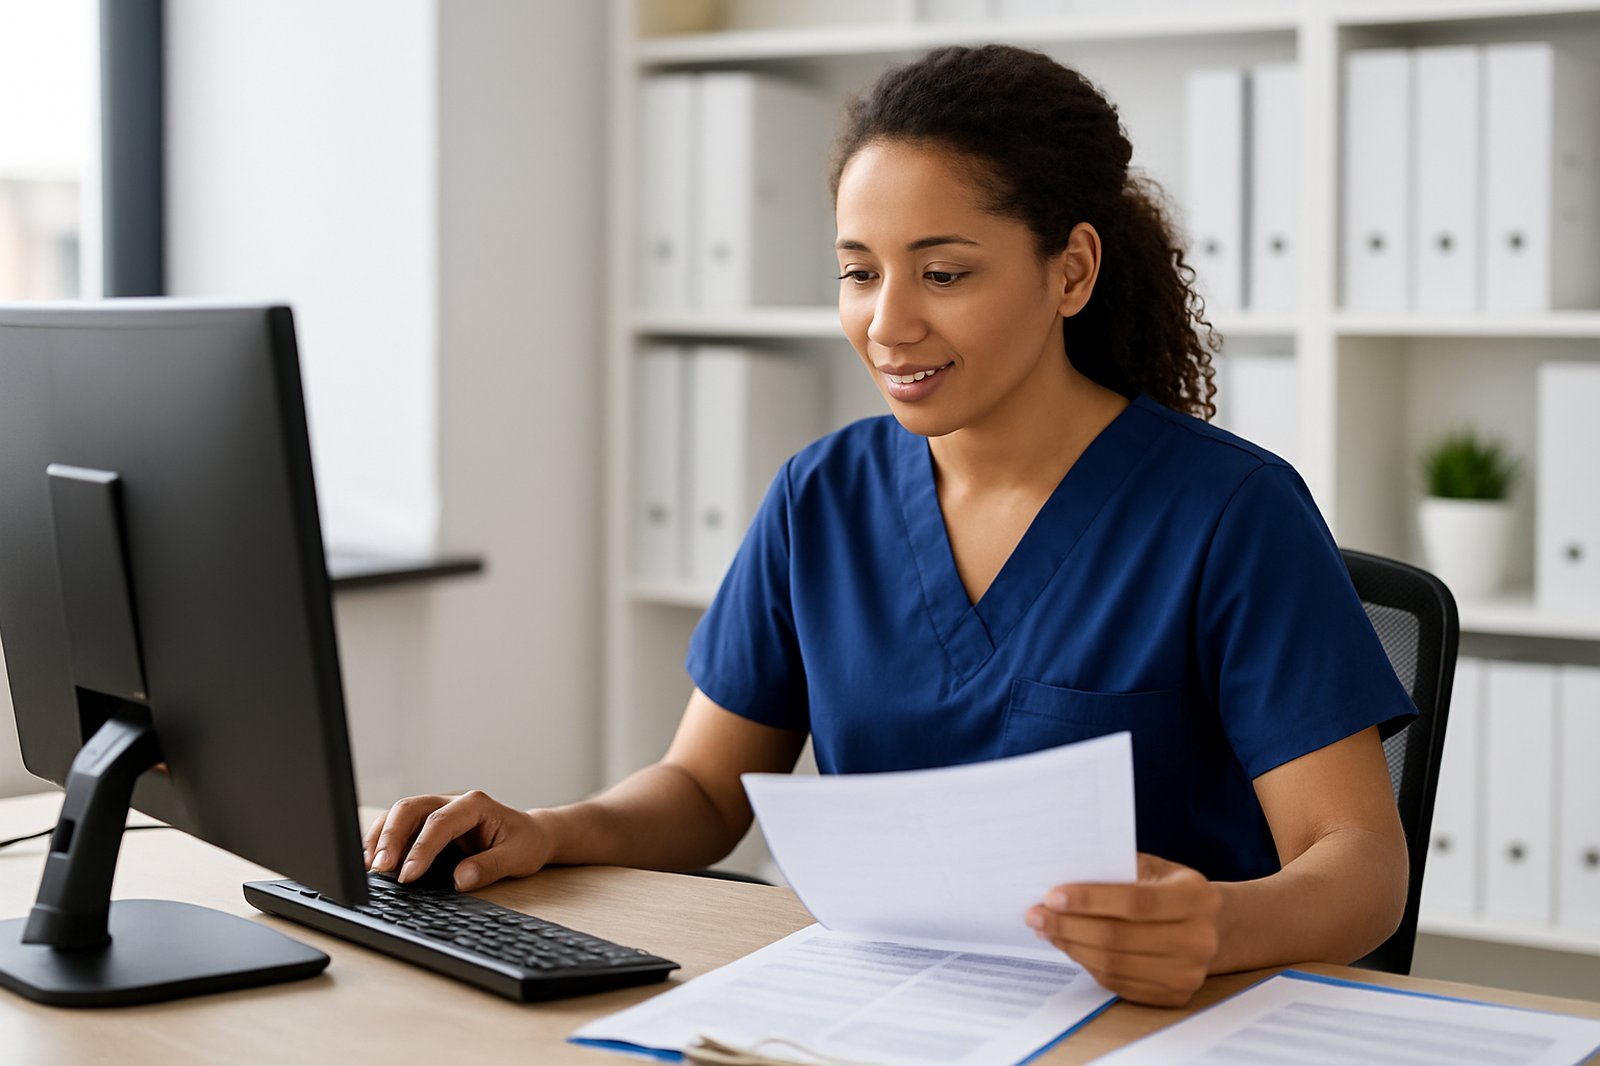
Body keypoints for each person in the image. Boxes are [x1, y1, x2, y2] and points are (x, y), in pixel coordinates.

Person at [365, 44, 1415, 1008]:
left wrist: (1221, 922)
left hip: (1145, 1023)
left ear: (1072, 270)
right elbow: (700, 789)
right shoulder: (819, 498)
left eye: (943, 272)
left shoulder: (1228, 510)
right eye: (859, 271)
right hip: (883, 1013)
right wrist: (550, 829)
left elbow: (1358, 860)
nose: (887, 321)